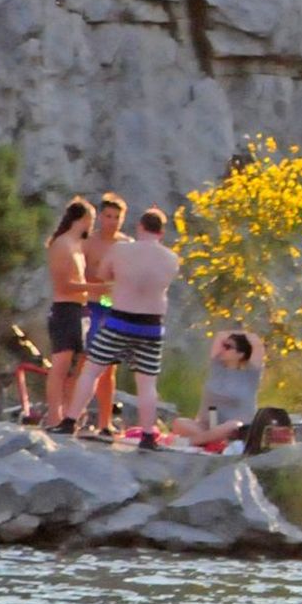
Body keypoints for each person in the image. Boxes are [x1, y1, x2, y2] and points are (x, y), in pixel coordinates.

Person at [59, 208, 180, 450]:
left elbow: (104, 275)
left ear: (140, 227)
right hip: (151, 326)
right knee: (147, 383)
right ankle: (148, 436)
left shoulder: (122, 249)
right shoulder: (171, 258)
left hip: (119, 320)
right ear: (162, 232)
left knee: (92, 370)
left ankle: (70, 420)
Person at [74, 193, 131, 439]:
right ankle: (74, 415)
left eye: (117, 217)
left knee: (109, 369)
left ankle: (105, 422)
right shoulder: (89, 242)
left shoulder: (126, 245)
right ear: (101, 218)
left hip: (114, 308)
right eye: (108, 216)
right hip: (91, 306)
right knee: (85, 362)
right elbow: (77, 275)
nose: (112, 221)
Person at [42, 198, 97, 426]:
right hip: (64, 309)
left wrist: (105, 297)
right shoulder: (61, 244)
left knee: (79, 366)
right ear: (84, 220)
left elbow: (83, 286)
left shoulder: (78, 246)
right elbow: (65, 285)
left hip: (80, 310)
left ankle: (68, 412)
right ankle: (54, 416)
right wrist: (102, 288)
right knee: (61, 365)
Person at [171, 331, 266, 447]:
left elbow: (255, 341)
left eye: (228, 347)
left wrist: (241, 335)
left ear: (240, 354)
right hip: (207, 426)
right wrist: (231, 337)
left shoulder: (251, 375)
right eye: (223, 345)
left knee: (234, 425)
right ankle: (215, 442)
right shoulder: (217, 368)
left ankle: (192, 441)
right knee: (179, 423)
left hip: (235, 430)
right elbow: (220, 335)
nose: (222, 349)